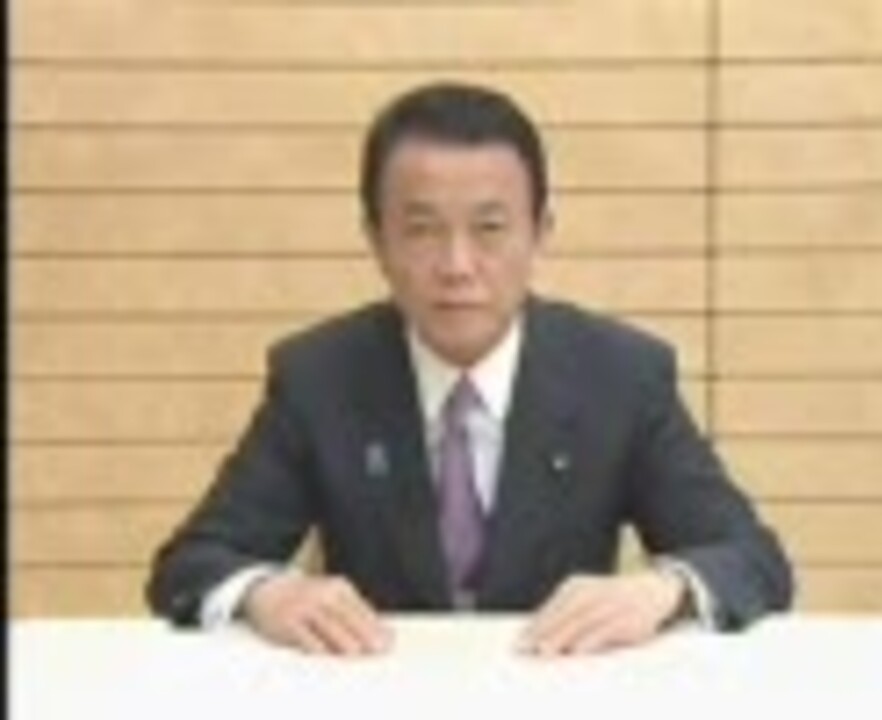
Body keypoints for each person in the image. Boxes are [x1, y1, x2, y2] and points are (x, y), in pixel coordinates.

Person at [146, 81, 793, 656]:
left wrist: (660, 590)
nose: (457, 266)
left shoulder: (621, 376)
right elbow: (190, 564)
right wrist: (266, 592)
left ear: (540, 233)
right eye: (423, 230)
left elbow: (751, 559)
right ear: (375, 239)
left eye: (489, 228)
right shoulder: (320, 377)